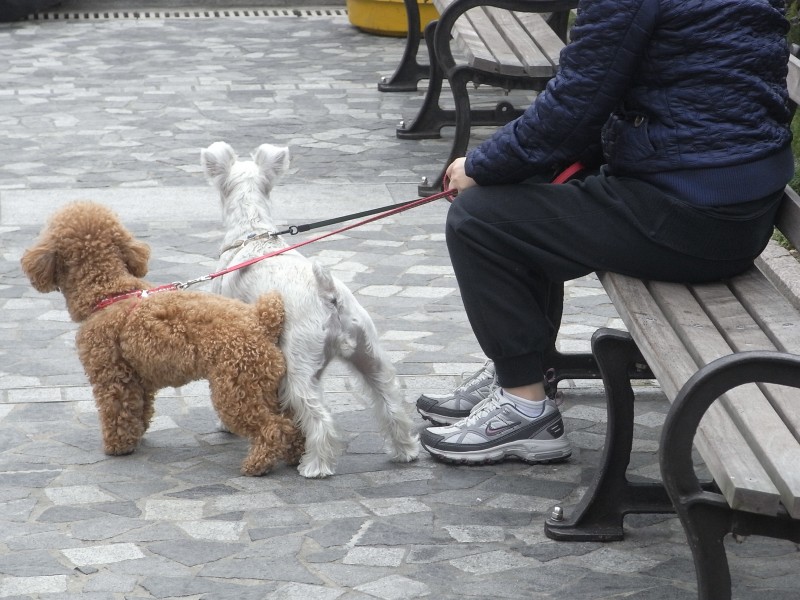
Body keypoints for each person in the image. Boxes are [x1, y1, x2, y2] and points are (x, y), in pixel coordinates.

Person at [416, 0, 794, 464]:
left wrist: (479, 164)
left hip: (692, 215)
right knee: (525, 186)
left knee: (478, 221)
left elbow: (576, 103)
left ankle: (523, 406)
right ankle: (523, 371)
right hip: (733, 205)